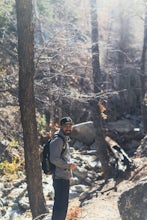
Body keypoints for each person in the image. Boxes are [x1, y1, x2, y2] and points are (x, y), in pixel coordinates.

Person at [50, 117, 77, 220]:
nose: (68, 128)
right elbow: (54, 159)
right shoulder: (58, 140)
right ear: (61, 126)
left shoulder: (64, 138)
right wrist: (68, 166)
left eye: (70, 126)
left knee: (62, 207)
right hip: (59, 178)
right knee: (60, 208)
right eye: (66, 126)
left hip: (63, 177)